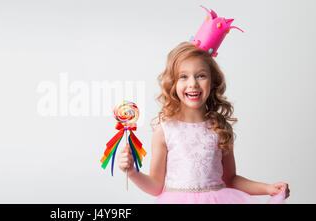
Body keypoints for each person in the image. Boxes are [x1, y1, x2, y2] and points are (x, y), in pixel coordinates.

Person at [117, 42, 290, 203]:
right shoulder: (164, 131)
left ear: (212, 81)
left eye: (201, 75)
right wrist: (132, 173)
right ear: (173, 83)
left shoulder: (220, 128)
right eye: (183, 76)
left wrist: (267, 188)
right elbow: (155, 186)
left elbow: (231, 179)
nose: (193, 84)